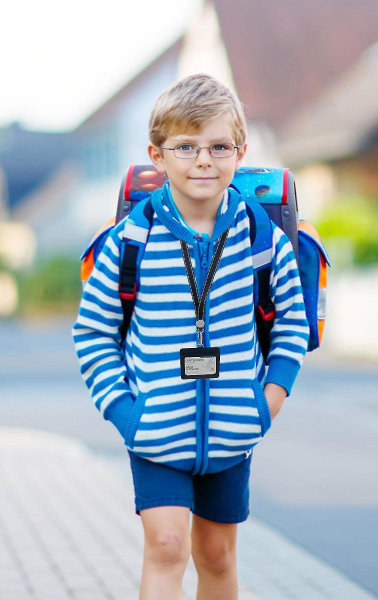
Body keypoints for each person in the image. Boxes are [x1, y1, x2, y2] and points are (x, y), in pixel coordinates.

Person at [73, 73, 309, 600]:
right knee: (166, 546)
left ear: (240, 152)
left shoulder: (261, 238)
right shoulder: (129, 241)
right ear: (157, 156)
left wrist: (265, 403)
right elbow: (93, 333)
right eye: (186, 147)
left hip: (233, 432)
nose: (203, 160)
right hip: (155, 431)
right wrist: (125, 411)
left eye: (219, 146)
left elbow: (292, 322)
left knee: (218, 556)